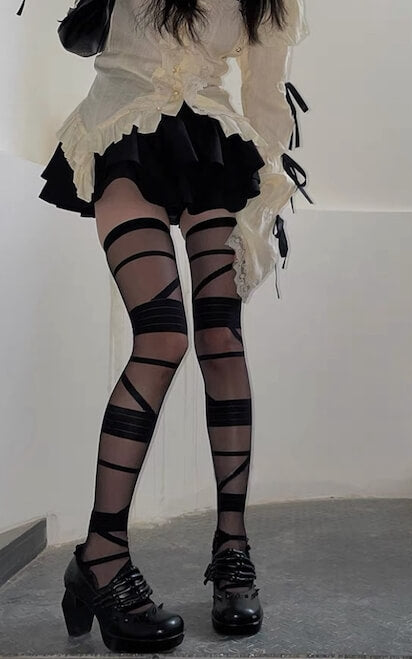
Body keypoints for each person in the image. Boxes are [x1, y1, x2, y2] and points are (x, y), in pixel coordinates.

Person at [25, 0, 311, 652]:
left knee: (222, 338)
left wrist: (258, 212)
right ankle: (102, 554)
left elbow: (267, 92)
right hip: (121, 127)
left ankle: (232, 548)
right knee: (162, 337)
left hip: (212, 140)